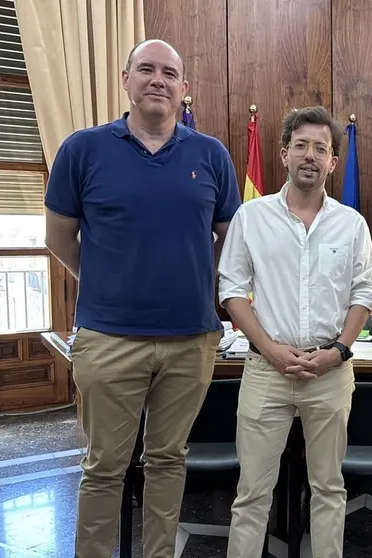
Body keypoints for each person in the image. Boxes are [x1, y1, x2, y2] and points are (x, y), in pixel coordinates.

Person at [44, 39, 241, 558]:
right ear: (126, 79)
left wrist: (194, 277)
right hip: (108, 339)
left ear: (184, 88)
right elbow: (59, 238)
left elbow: (230, 240)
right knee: (103, 467)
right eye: (147, 69)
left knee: (169, 460)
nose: (158, 80)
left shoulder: (211, 155)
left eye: (169, 73)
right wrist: (107, 280)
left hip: (191, 340)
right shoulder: (82, 150)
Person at [218, 106, 372, 558]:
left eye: (320, 148)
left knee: (328, 489)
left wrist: (339, 350)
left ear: (333, 162)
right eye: (301, 145)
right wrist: (269, 349)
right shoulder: (251, 217)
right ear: (284, 153)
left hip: (330, 373)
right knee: (252, 495)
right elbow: (232, 290)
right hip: (266, 372)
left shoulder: (352, 224)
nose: (310, 155)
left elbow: (364, 293)